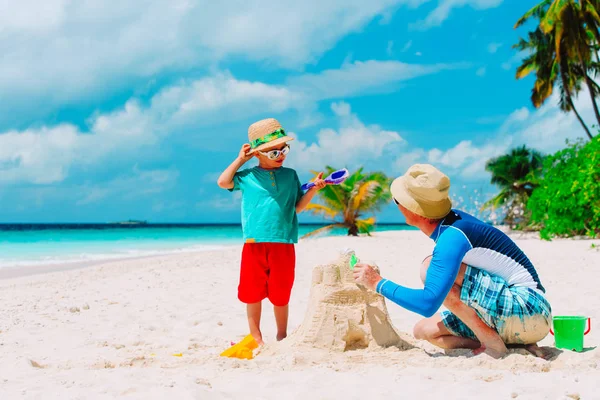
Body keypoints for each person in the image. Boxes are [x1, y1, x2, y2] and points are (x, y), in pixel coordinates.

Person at [352, 163, 552, 358]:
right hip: (522, 318)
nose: (396, 204)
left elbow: (428, 303)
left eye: (398, 200)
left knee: (429, 267)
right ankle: (515, 344)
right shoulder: (453, 224)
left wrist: (377, 283)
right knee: (424, 330)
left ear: (413, 209)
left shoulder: (453, 237)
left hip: (528, 307)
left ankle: (492, 343)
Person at [217, 118, 326, 346]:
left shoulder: (290, 175)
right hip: (254, 242)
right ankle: (256, 337)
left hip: (284, 241)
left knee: (281, 291)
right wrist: (240, 160)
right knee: (252, 292)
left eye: (284, 150)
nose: (281, 155)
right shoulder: (246, 177)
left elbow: (296, 206)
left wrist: (313, 190)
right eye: (274, 152)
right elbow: (222, 182)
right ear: (257, 154)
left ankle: (281, 334)